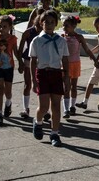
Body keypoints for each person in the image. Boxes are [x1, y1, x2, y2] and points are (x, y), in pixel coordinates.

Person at [30, 10, 70, 147]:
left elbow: (65, 60)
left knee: (56, 106)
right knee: (44, 106)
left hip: (56, 74)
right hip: (42, 73)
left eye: (52, 22)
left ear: (56, 24)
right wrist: (33, 80)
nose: (49, 24)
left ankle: (54, 133)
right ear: (41, 23)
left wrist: (67, 79)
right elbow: (33, 61)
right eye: (46, 22)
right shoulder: (37, 40)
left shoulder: (61, 41)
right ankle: (38, 122)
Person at [61, 16, 99, 118]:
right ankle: (65, 109)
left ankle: (72, 106)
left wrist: (95, 60)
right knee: (66, 87)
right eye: (63, 25)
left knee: (73, 86)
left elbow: (87, 50)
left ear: (74, 26)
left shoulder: (79, 37)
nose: (64, 27)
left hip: (75, 64)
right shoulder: (62, 37)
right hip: (64, 65)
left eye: (66, 25)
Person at [17, 8, 44, 118]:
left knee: (43, 86)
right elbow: (20, 48)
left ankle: (44, 110)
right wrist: (20, 62)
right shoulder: (28, 32)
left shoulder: (46, 33)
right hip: (28, 60)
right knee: (28, 84)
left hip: (43, 62)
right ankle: (25, 108)